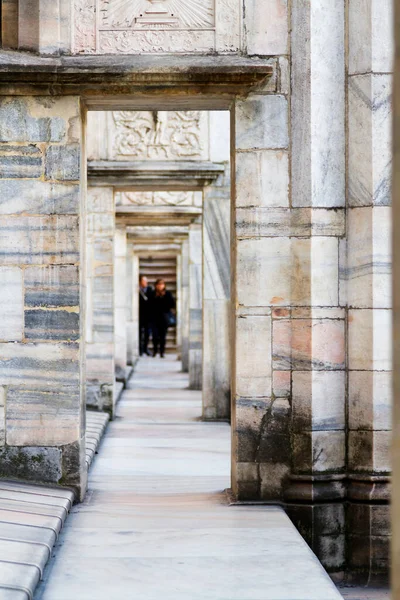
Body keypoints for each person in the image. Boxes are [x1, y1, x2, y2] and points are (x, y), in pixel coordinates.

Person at [151, 278, 176, 358]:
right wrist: (157, 297)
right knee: (155, 336)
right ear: (156, 285)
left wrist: (163, 297)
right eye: (159, 284)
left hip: (164, 318)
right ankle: (155, 351)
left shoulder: (167, 294)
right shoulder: (152, 294)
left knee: (163, 336)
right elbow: (150, 305)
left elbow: (171, 304)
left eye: (162, 284)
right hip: (154, 318)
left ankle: (162, 352)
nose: (160, 286)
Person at [139, 275, 153, 356]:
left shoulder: (150, 290)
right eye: (144, 281)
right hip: (140, 315)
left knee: (147, 333)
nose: (146, 282)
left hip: (148, 316)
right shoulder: (138, 291)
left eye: (146, 281)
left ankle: (145, 348)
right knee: (140, 333)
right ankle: (140, 349)